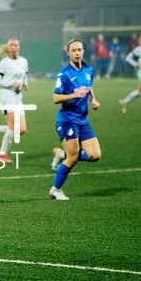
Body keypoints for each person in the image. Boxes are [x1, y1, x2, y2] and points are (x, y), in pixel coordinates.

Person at [48, 39, 101, 201]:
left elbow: (89, 85)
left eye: (80, 50)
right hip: (67, 120)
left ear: (83, 51)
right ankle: (55, 190)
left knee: (95, 155)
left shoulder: (88, 70)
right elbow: (56, 98)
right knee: (74, 157)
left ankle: (61, 154)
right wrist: (73, 95)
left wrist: (93, 99)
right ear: (68, 53)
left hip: (83, 120)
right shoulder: (64, 74)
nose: (77, 53)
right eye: (74, 50)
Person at [0, 38, 29, 163]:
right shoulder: (4, 63)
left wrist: (25, 84)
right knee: (13, 126)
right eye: (11, 45)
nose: (13, 47)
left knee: (22, 129)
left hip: (18, 97)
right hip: (6, 96)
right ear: (8, 48)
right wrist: (12, 83)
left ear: (19, 47)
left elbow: (25, 76)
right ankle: (1, 154)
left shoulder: (23, 61)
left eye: (16, 45)